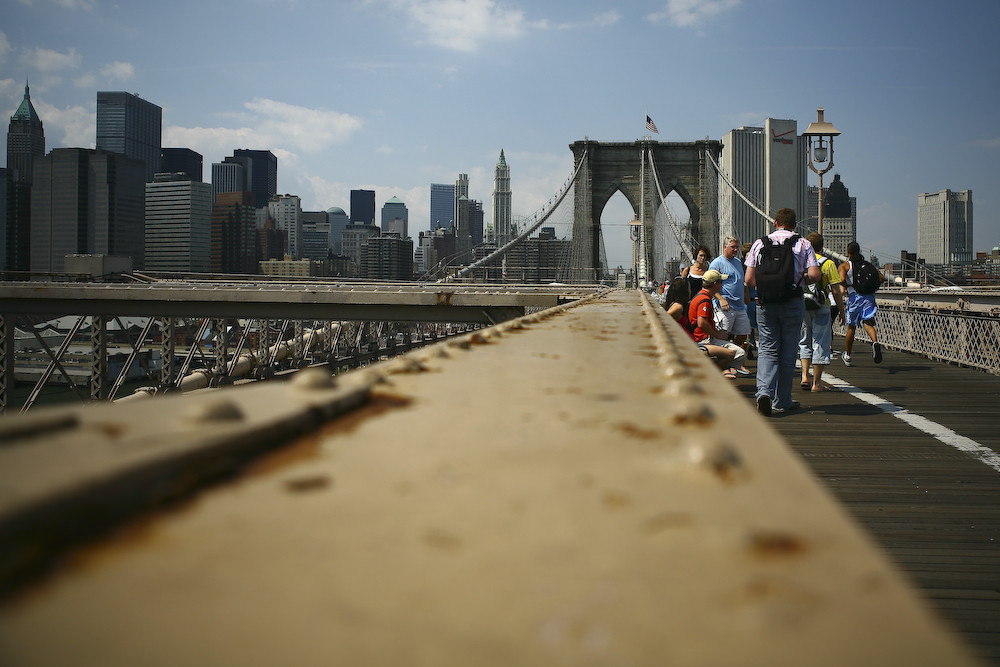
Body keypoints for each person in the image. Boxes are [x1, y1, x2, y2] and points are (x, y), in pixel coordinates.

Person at [744, 208, 820, 416]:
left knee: (767, 349)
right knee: (788, 352)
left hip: (766, 303)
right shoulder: (804, 243)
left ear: (775, 222)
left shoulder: (760, 244)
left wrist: (766, 286)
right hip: (793, 302)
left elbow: (749, 280)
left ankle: (763, 394)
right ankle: (782, 400)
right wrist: (800, 280)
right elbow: (815, 274)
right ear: (795, 224)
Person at [799, 233, 846, 392]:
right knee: (820, 342)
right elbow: (836, 291)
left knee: (805, 340)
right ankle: (816, 384)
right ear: (821, 246)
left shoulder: (800, 262)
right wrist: (842, 312)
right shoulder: (828, 263)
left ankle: (805, 376)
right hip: (821, 306)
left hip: (802, 305)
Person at [688, 270, 746, 378]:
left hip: (701, 337)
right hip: (703, 340)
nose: (722, 285)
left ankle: (718, 370)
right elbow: (702, 323)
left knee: (735, 351)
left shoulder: (700, 295)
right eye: (721, 282)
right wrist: (717, 334)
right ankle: (717, 373)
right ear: (715, 284)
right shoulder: (704, 300)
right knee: (738, 353)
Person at [709, 236, 751, 376]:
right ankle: (723, 366)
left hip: (740, 307)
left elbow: (742, 282)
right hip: (725, 307)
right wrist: (720, 299)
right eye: (733, 247)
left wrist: (746, 297)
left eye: (737, 247)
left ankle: (730, 358)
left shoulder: (739, 262)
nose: (736, 250)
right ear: (725, 247)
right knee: (722, 337)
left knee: (743, 334)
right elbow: (710, 286)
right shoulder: (717, 263)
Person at [839, 241, 885, 366]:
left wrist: (845, 286)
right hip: (869, 297)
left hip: (855, 297)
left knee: (851, 327)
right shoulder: (868, 265)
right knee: (868, 323)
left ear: (848, 252)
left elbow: (842, 280)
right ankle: (875, 342)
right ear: (859, 251)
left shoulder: (844, 266)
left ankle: (848, 355)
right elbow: (882, 278)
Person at [740, 241, 758, 360]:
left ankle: (750, 344)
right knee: (761, 326)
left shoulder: (740, 266)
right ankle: (751, 345)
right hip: (755, 300)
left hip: (747, 301)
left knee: (748, 328)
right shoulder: (757, 265)